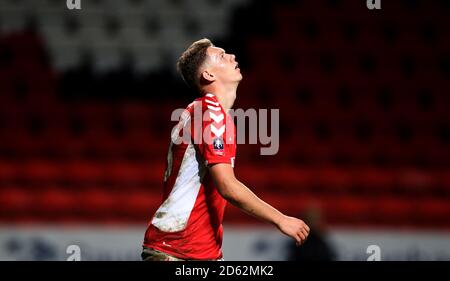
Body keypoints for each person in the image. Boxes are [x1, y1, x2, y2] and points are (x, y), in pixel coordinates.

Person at [141, 38, 310, 261]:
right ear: (209, 75)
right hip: (176, 251)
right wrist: (280, 219)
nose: (232, 56)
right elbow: (227, 186)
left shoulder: (204, 111)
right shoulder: (209, 112)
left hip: (199, 252)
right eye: (221, 56)